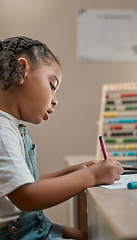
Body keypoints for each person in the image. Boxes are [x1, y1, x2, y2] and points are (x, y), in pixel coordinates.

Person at [0, 36, 124, 240]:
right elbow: (26, 196)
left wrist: (70, 172)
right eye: (52, 86)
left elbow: (24, 182)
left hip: (36, 227)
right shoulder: (3, 131)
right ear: (22, 71)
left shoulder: (11, 126)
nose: (55, 100)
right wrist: (91, 176)